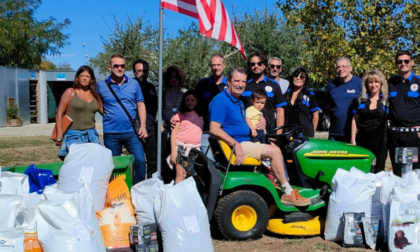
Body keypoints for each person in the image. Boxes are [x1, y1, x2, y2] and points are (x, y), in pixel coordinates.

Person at [209, 66, 311, 207]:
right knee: (275, 151)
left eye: (243, 81)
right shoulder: (221, 100)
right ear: (229, 81)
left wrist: (261, 120)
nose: (240, 84)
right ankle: (288, 192)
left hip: (245, 141)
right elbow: (214, 129)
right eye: (236, 80)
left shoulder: (237, 101)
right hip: (238, 144)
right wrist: (235, 145)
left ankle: (281, 184)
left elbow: (241, 121)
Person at [97, 53, 148, 184]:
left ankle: (138, 190)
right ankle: (116, 192)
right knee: (113, 164)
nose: (120, 68)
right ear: (109, 67)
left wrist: (142, 126)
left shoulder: (133, 84)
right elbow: (98, 104)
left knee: (140, 161)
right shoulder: (101, 86)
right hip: (111, 132)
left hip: (132, 132)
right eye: (116, 66)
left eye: (122, 66)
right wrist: (109, 114)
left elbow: (141, 105)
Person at [55, 65, 103, 159]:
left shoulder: (95, 95)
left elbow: (105, 113)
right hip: (73, 135)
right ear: (77, 78)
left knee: (96, 161)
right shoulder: (70, 92)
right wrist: (59, 136)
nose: (85, 78)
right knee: (77, 161)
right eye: (82, 76)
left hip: (92, 135)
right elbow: (59, 114)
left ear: (92, 79)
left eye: (88, 76)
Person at [388, 50, 420, 176]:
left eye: (406, 61)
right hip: (395, 135)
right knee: (398, 171)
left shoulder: (418, 82)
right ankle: (399, 195)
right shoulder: (391, 83)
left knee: (415, 172)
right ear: (396, 64)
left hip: (413, 135)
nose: (403, 64)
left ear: (412, 62)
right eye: (399, 61)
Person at [350, 69, 388, 173]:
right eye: (370, 82)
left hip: (381, 142)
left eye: (376, 82)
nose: (373, 85)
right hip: (363, 140)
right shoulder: (360, 100)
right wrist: (353, 140)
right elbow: (354, 120)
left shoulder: (386, 101)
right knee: (362, 171)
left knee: (379, 172)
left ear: (381, 83)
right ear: (366, 84)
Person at [240, 52, 286, 134]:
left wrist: (278, 135)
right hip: (246, 133)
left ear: (264, 65)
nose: (256, 66)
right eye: (252, 64)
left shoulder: (274, 85)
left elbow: (280, 111)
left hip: (269, 133)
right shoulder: (243, 84)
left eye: (259, 63)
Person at [195, 54, 227, 158]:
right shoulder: (202, 84)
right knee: (208, 162)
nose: (216, 68)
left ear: (224, 65)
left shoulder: (230, 85)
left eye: (219, 64)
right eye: (213, 65)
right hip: (206, 131)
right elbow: (194, 105)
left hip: (226, 131)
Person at [167, 90, 203, 183]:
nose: (190, 102)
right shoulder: (179, 115)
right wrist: (173, 152)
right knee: (180, 175)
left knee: (189, 176)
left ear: (197, 101)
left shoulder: (201, 115)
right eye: (187, 100)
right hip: (181, 148)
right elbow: (173, 134)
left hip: (195, 150)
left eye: (193, 100)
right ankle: (178, 196)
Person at [326, 57, 362, 142]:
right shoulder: (331, 85)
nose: (341, 69)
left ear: (350, 68)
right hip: (335, 133)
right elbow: (329, 105)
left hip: (353, 133)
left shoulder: (360, 83)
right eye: (338, 67)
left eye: (343, 66)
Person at [132, 59, 158, 178]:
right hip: (135, 130)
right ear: (134, 72)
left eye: (145, 71)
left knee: (152, 161)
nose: (142, 73)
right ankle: (138, 184)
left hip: (150, 128)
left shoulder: (151, 87)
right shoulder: (130, 86)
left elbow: (155, 106)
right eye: (139, 71)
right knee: (138, 161)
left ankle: (150, 186)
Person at [284, 68, 319, 137]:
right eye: (296, 76)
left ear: (305, 80)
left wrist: (312, 133)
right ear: (292, 78)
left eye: (302, 77)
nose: (298, 78)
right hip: (288, 132)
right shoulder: (285, 95)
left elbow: (316, 116)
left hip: (305, 133)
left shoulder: (310, 95)